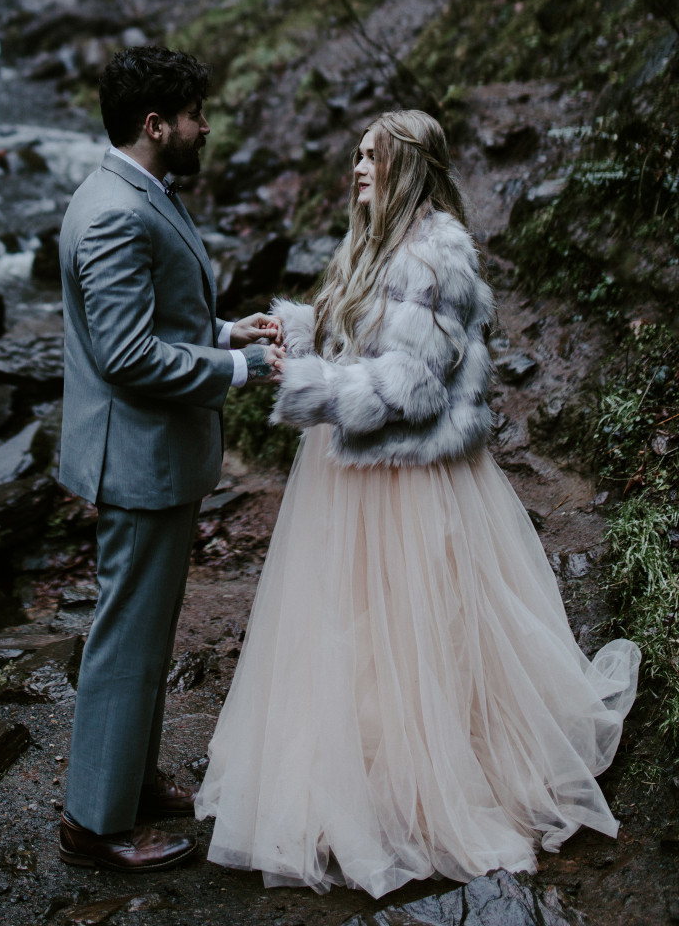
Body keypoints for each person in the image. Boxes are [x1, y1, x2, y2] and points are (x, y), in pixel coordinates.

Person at [195, 108, 639, 897]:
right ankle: (366, 772)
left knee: (419, 627)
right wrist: (295, 334)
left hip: (408, 476)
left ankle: (433, 783)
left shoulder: (438, 253)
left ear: (408, 166)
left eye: (373, 156)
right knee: (353, 628)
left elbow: (411, 384)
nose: (358, 167)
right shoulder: (371, 242)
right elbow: (359, 341)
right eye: (358, 153)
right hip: (351, 471)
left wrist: (307, 388)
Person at [57, 45, 285, 874]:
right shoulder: (118, 210)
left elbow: (160, 313)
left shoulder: (130, 190)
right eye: (194, 115)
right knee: (126, 638)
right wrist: (244, 368)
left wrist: (228, 330)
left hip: (144, 457)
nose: (205, 126)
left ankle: (128, 784)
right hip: (138, 461)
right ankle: (95, 825)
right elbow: (125, 354)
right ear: (156, 125)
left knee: (146, 635)